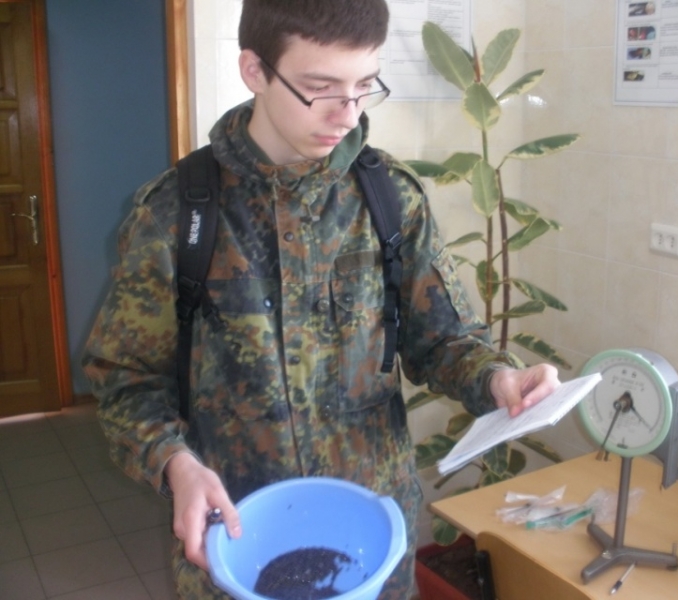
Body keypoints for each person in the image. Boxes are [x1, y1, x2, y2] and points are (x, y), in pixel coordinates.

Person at [81, 0, 561, 598]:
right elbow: (127, 380)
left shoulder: (389, 198)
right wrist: (174, 463)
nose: (348, 113)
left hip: (372, 543)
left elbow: (442, 339)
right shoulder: (177, 214)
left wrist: (497, 379)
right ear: (255, 70)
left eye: (364, 86)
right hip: (236, 541)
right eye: (320, 88)